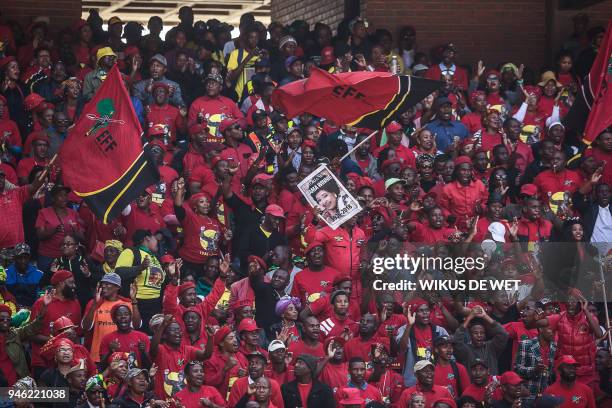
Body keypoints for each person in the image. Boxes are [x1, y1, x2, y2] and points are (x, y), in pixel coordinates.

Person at [81, 273, 141, 363]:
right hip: (99, 356)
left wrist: (134, 301)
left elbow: (137, 325)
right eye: (102, 284)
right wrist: (95, 303)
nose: (103, 286)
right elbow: (85, 327)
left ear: (117, 287)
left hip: (123, 355)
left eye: (107, 284)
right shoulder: (95, 303)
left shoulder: (126, 304)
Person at [0, 291, 50, 385]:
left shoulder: (15, 334)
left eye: (8, 319)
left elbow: (32, 327)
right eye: (1, 319)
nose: (5, 321)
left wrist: (44, 308)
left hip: (15, 382)